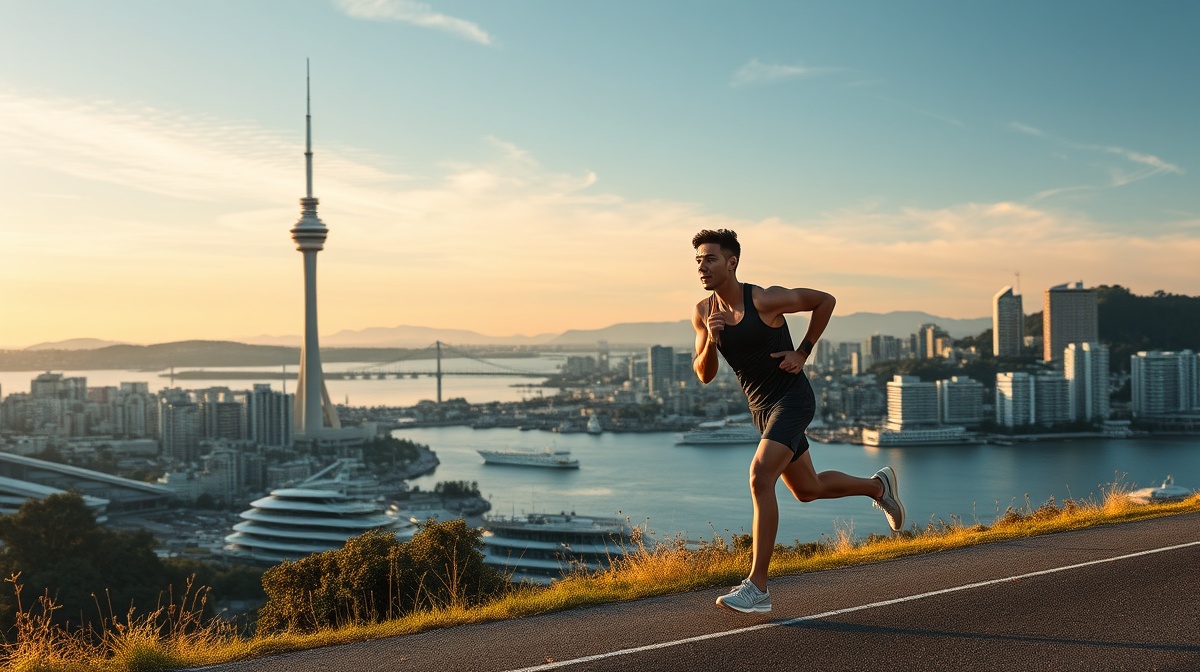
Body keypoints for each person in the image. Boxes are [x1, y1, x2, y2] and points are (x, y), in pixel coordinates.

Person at [690, 228, 905, 614]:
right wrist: (709, 337)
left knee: (759, 477)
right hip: (762, 410)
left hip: (792, 399)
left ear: (732, 262)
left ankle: (758, 587)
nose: (702, 267)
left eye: (710, 258)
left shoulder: (765, 299)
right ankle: (878, 487)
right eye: (698, 261)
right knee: (807, 488)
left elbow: (825, 301)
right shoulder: (704, 312)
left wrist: (803, 351)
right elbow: (704, 373)